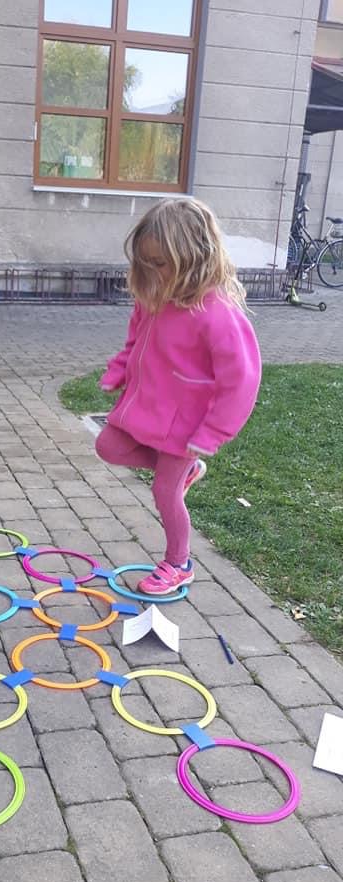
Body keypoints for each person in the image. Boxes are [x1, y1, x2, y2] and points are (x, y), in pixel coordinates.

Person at [96, 197, 262, 595]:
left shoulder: (217, 314)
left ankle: (179, 563)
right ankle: (184, 473)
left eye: (161, 262)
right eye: (147, 262)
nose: (152, 271)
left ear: (194, 258)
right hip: (148, 407)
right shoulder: (155, 297)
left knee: (164, 492)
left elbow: (241, 380)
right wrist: (119, 369)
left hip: (186, 425)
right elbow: (135, 340)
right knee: (107, 446)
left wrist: (213, 434)